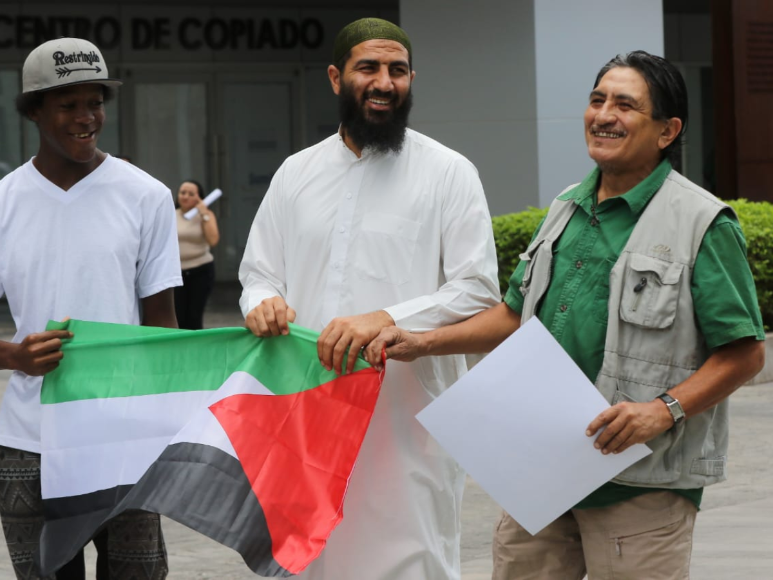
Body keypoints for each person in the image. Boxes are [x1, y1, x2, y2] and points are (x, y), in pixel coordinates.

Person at [365, 50, 765, 579]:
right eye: (597, 99)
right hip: (539, 470)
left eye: (625, 105)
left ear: (667, 131)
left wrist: (663, 409)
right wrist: (420, 341)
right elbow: (514, 316)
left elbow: (745, 353)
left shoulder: (702, 223)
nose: (603, 115)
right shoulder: (565, 209)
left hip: (640, 480)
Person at [238, 17, 500, 580]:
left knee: (411, 559)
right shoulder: (295, 173)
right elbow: (259, 272)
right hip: (305, 412)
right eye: (368, 68)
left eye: (397, 70)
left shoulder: (449, 173)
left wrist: (386, 318)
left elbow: (478, 289)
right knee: (310, 557)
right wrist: (261, 302)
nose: (384, 82)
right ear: (336, 78)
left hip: (406, 420)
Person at [0, 38, 181, 580]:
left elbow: (162, 323)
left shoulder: (145, 196)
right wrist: (15, 356)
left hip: (123, 435)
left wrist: (164, 423)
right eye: (68, 104)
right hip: (28, 440)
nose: (86, 118)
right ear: (33, 110)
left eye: (95, 102)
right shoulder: (5, 202)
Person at [175, 179, 219, 330]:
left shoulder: (206, 215)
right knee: (179, 316)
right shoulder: (170, 214)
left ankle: (195, 351)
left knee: (194, 317)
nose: (186, 196)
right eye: (183, 192)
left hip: (200, 270)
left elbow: (213, 240)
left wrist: (204, 213)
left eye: (191, 194)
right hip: (177, 273)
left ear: (199, 197)